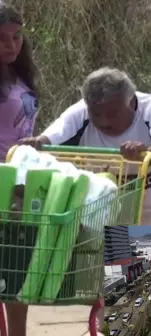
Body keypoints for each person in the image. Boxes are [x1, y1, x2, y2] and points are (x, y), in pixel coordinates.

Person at [20, 67, 151, 226]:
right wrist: (37, 143)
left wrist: (147, 152)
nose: (104, 121)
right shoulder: (80, 113)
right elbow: (54, 134)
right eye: (96, 114)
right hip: (105, 224)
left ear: (130, 101)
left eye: (112, 114)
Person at [0, 3, 39, 336]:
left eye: (16, 37)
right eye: (1, 39)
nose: (11, 45)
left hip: (21, 185)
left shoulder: (19, 73)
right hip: (1, 180)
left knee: (14, 272)